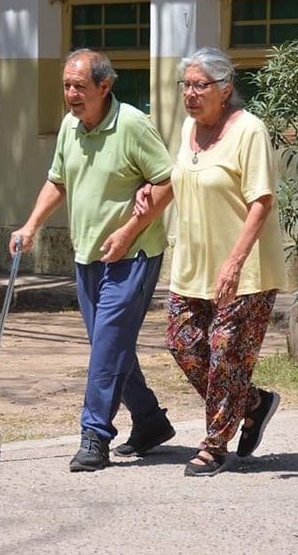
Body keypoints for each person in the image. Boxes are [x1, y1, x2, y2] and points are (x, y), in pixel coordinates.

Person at [10, 48, 176, 472]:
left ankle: (94, 436)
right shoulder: (70, 127)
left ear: (105, 86)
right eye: (67, 86)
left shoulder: (134, 126)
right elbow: (57, 181)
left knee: (106, 347)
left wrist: (126, 233)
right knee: (110, 345)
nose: (71, 94)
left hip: (134, 254)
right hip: (88, 255)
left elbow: (166, 181)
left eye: (79, 86)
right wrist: (30, 226)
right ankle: (151, 422)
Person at [135, 47, 287, 476]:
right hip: (194, 265)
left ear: (226, 89)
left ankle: (214, 445)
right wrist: (148, 192)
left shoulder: (249, 130)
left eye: (199, 85)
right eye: (186, 85)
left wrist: (235, 261)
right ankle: (253, 403)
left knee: (225, 355)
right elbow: (179, 179)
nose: (190, 94)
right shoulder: (187, 129)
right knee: (183, 344)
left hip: (245, 269)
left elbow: (261, 200)